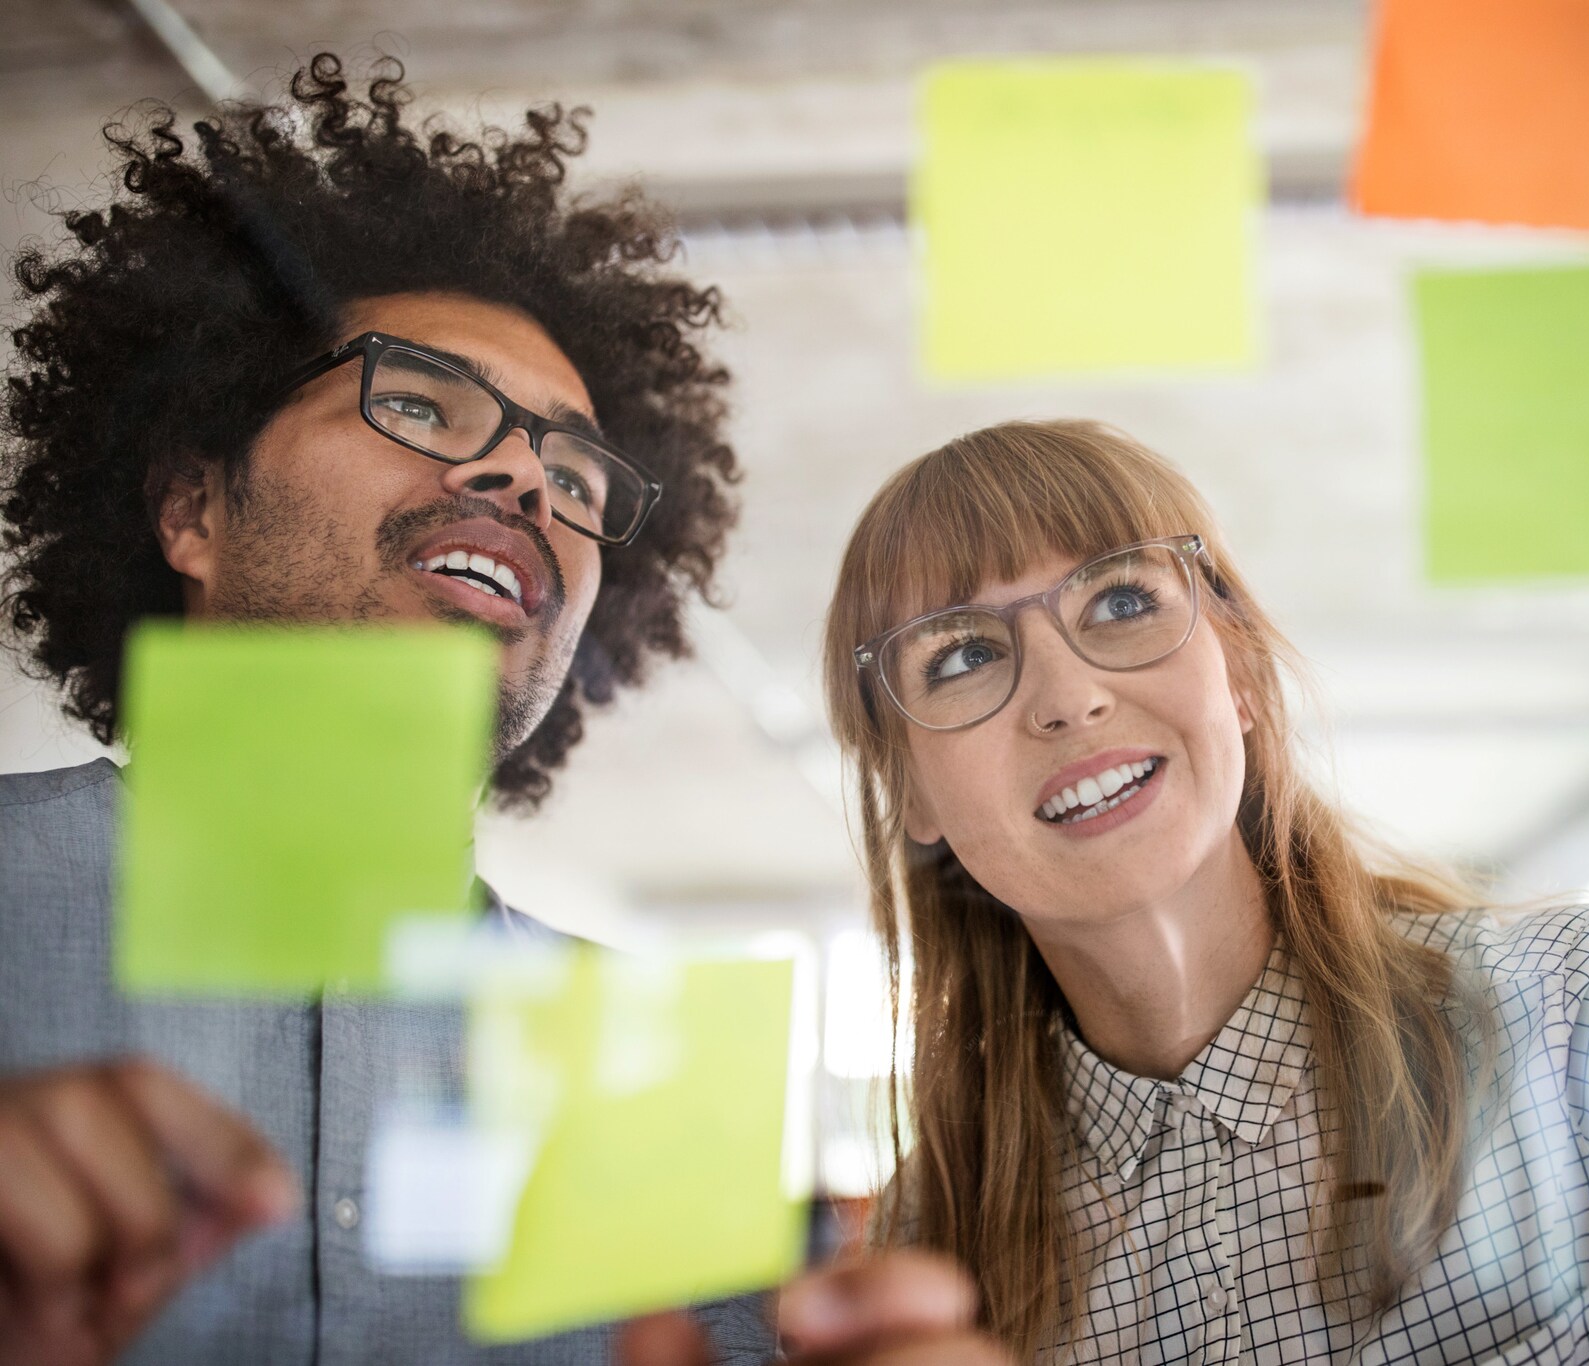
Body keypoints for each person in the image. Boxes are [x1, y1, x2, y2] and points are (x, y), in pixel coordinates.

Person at [818, 16, 1589, 1365]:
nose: (1064, 694)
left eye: (1120, 600)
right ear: (909, 791)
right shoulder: (934, 1247)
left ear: (1233, 665)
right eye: (963, 653)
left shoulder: (1572, 1017)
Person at [0, 57, 1001, 1366]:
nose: (526, 476)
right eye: (419, 400)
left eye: (577, 472)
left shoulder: (646, 1074)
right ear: (193, 508)